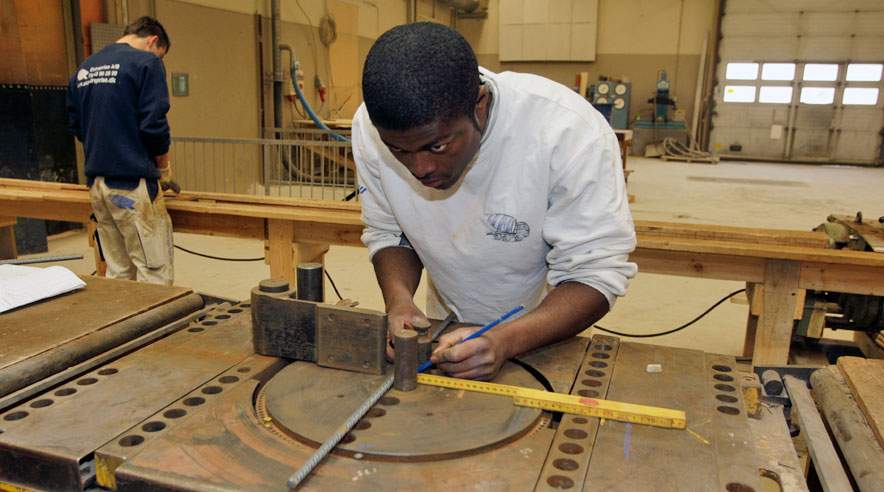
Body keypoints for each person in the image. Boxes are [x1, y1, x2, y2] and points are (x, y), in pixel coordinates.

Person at [352, 23, 637, 381]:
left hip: (547, 332)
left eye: (437, 146)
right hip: (444, 324)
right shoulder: (369, 126)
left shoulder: (567, 131)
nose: (420, 168)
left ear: (480, 106)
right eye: (399, 151)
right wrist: (398, 301)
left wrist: (504, 340)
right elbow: (390, 231)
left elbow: (595, 273)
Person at [66, 16, 175, 285]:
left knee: (117, 272)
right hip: (131, 186)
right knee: (154, 272)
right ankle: (158, 327)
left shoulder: (84, 69)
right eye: (160, 54)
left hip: (98, 187)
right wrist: (163, 169)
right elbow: (154, 126)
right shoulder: (146, 63)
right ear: (153, 41)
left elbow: (76, 126)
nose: (158, 59)